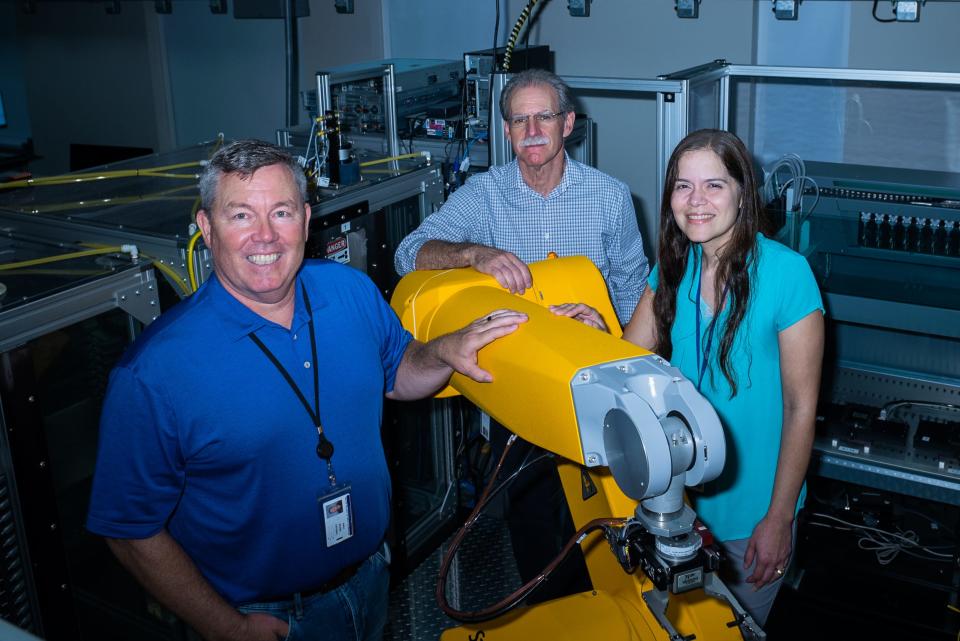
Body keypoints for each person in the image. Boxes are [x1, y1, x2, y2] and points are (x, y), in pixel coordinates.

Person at [86, 139, 527, 641]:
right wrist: (224, 626)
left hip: (368, 580)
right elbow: (127, 528)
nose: (265, 236)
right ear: (207, 229)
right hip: (259, 617)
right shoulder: (154, 373)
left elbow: (398, 371)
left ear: (306, 217)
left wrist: (443, 350)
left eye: (282, 211)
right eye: (240, 216)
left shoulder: (350, 291)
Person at [394, 68, 649, 602]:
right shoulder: (482, 196)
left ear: (568, 124)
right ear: (506, 131)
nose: (532, 130)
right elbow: (407, 252)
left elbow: (634, 289)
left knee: (611, 552)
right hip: (517, 414)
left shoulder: (609, 198)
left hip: (596, 401)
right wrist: (474, 255)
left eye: (544, 117)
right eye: (519, 119)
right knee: (540, 565)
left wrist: (615, 336)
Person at [623, 129, 824, 626]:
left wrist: (778, 518)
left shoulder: (787, 274)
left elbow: (801, 410)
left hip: (754, 511)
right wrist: (589, 326)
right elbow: (624, 359)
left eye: (713, 185)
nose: (695, 202)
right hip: (676, 505)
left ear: (742, 193)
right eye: (682, 186)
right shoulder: (669, 268)